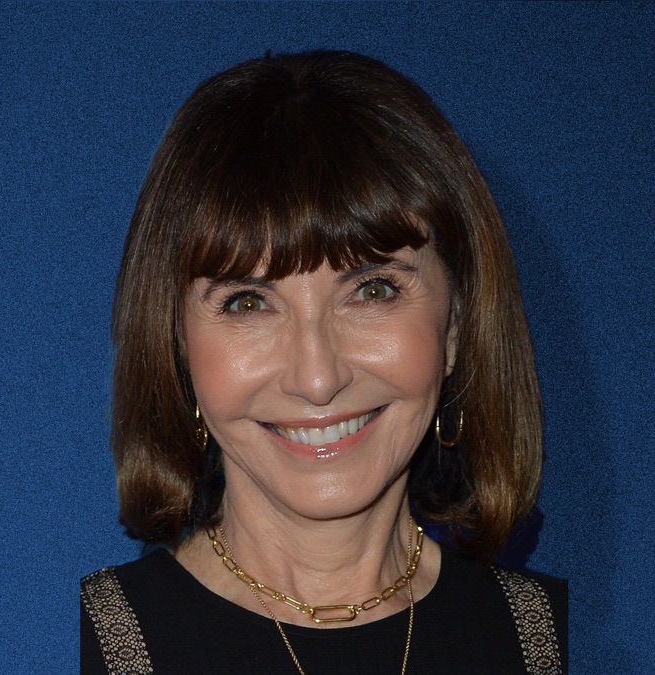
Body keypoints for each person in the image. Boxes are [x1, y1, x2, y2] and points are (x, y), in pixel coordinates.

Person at [80, 50, 567, 674]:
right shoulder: (99, 643)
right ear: (176, 345)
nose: (317, 379)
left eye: (373, 290)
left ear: (455, 329)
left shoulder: (540, 639)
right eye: (248, 301)